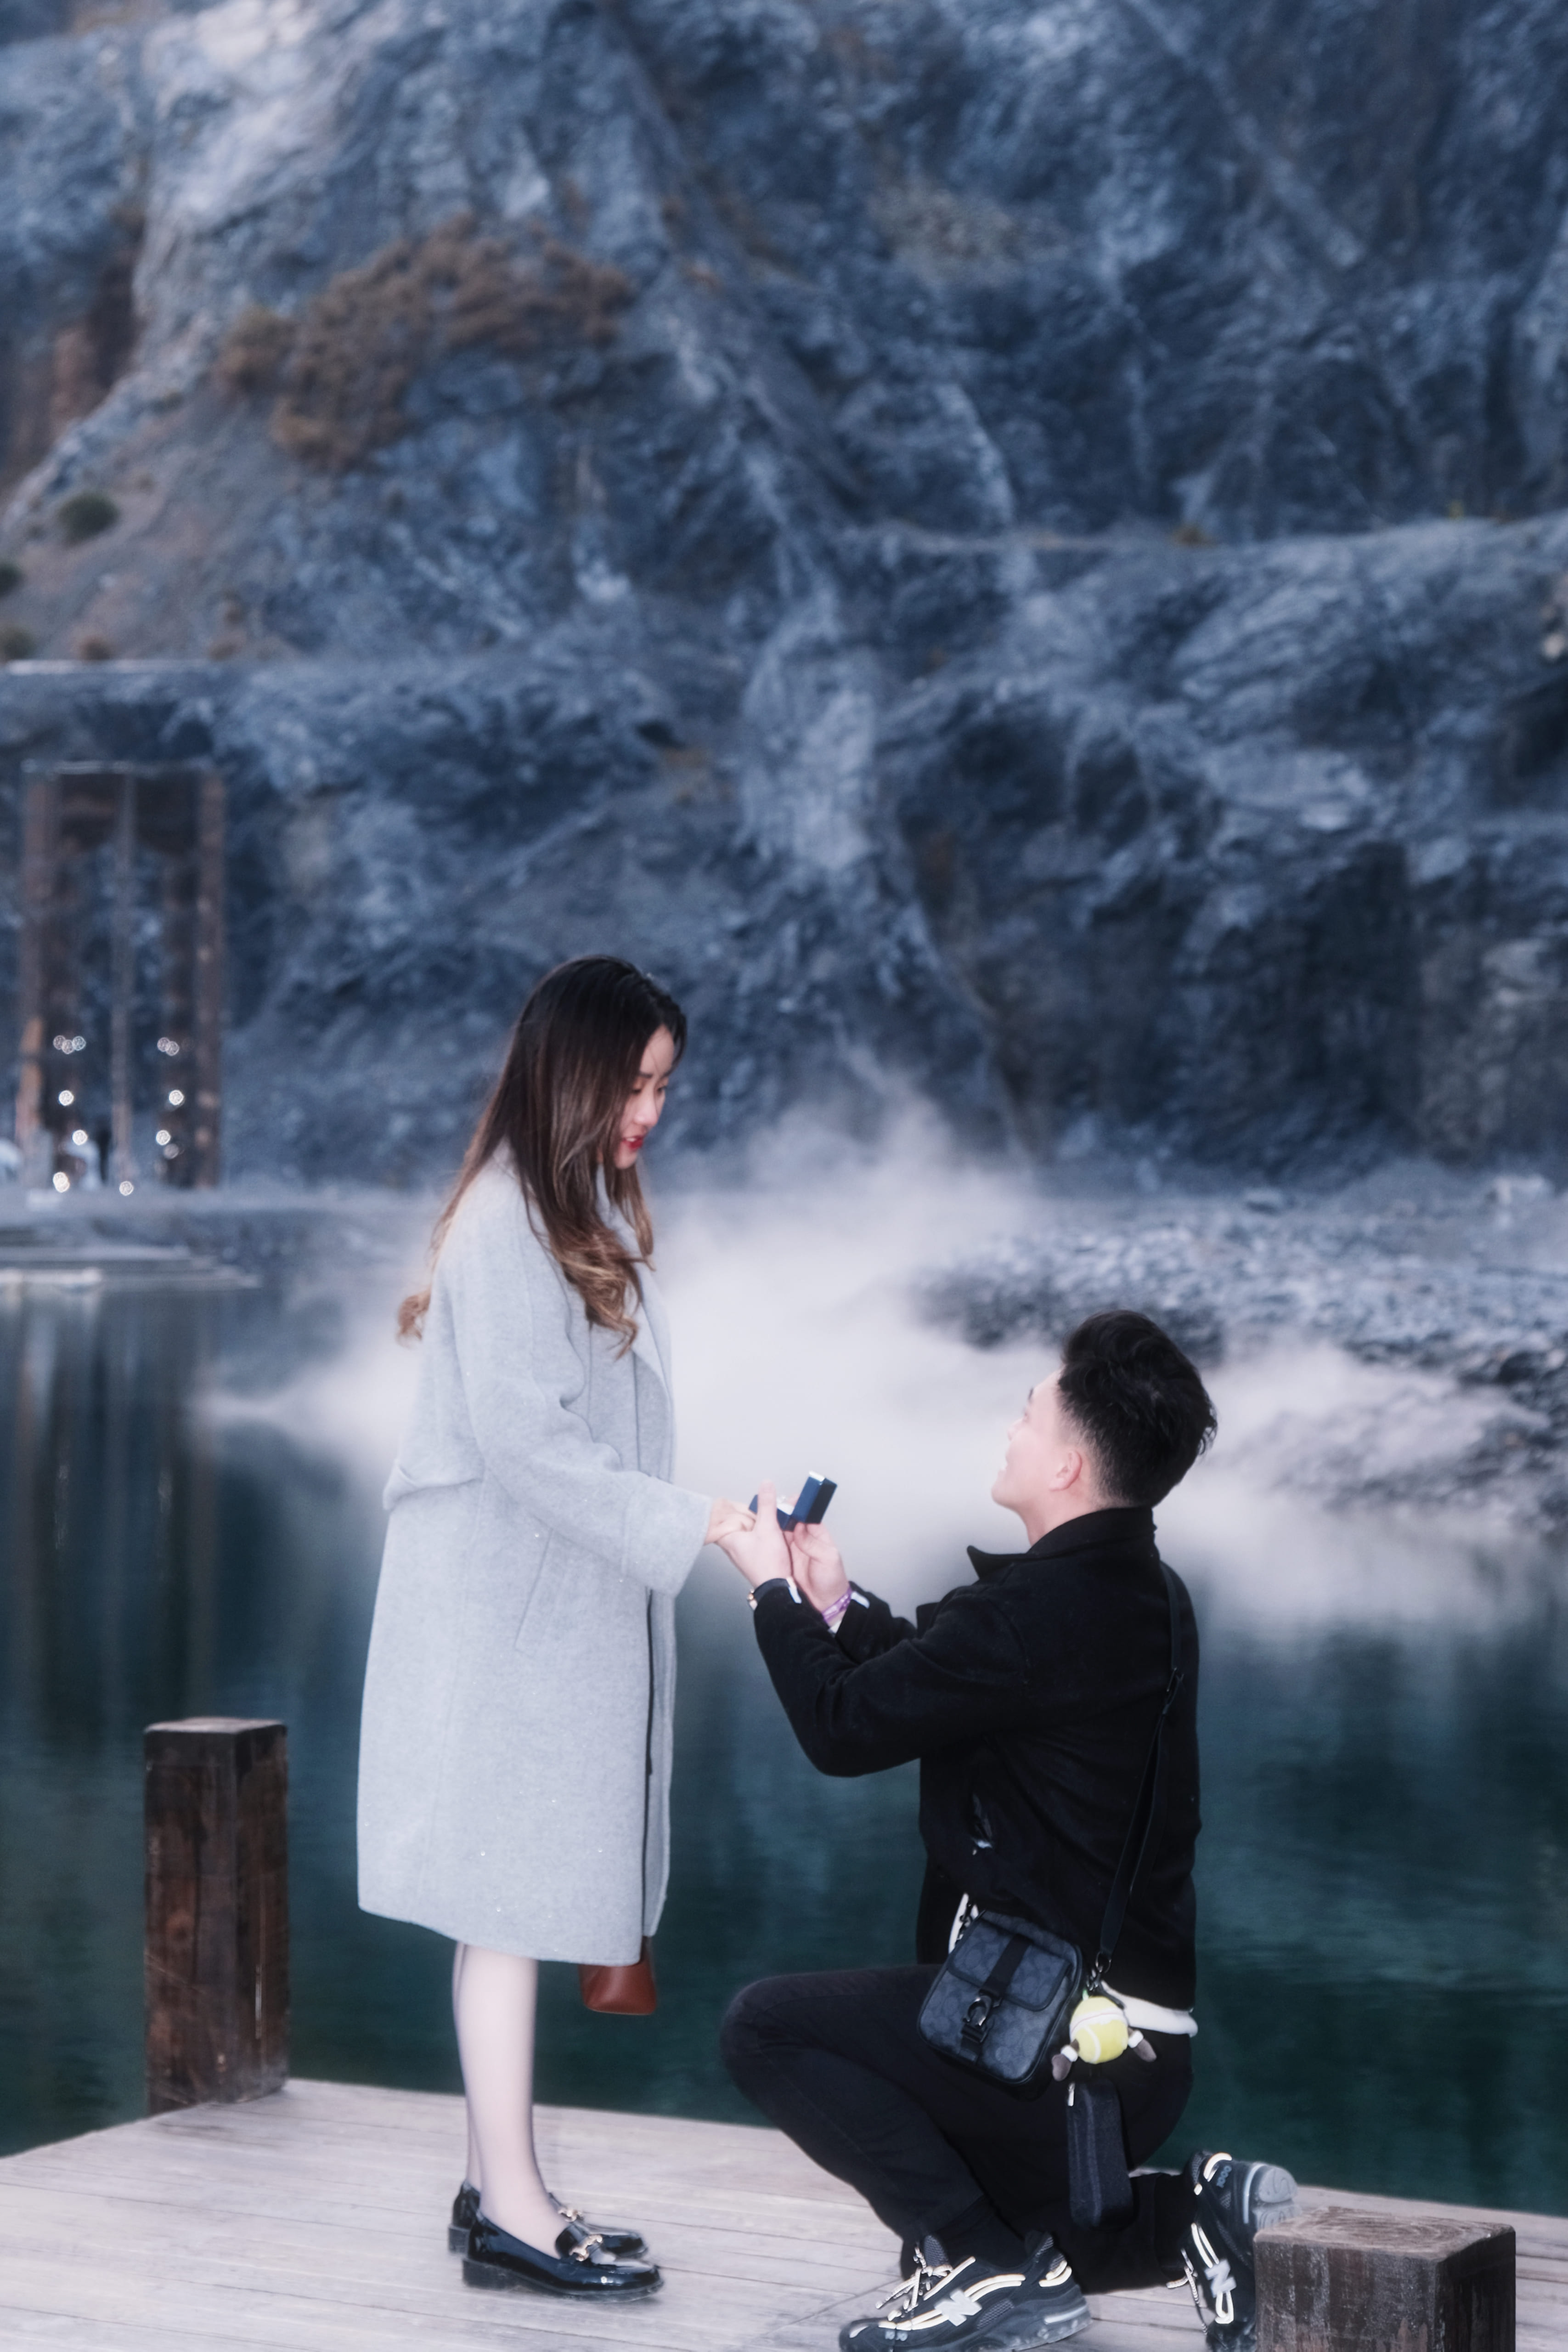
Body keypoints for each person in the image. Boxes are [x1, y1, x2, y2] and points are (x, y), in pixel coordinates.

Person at [715, 1310, 1296, 2352]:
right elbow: (942, 1676)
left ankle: (985, 2273)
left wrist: (768, 1590)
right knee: (993, 2215)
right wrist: (832, 1605)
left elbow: (844, 1726)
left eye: (1029, 1414)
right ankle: (1194, 2220)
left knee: (767, 2029)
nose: (1011, 1429)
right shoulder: (1144, 1594)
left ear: (1067, 1464)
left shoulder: (1033, 1612)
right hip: (1128, 2048)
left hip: (1049, 2048)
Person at [357, 956, 746, 2301]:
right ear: (571, 1071)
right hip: (505, 1622)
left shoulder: (555, 1204)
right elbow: (530, 1444)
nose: (649, 1112)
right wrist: (695, 1522)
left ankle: (495, 2191)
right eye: (634, 1083)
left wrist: (683, 1523)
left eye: (663, 1088)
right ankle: (516, 2212)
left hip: (532, 1612)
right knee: (507, 1907)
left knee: (502, 1907)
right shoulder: (509, 1222)